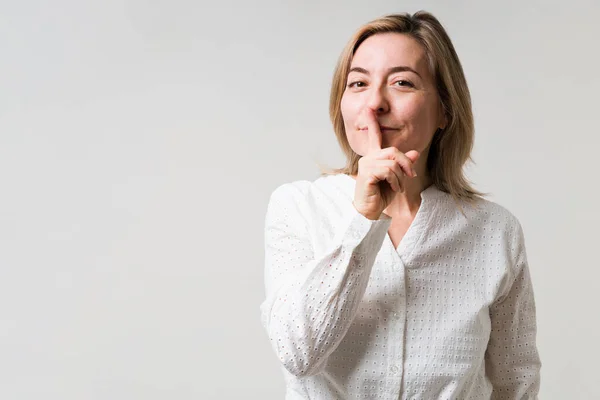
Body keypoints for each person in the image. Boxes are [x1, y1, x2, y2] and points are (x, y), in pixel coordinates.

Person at [260, 10, 541, 400]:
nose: (374, 102)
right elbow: (298, 352)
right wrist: (364, 219)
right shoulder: (299, 208)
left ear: (444, 108)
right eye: (357, 83)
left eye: (402, 83)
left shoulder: (495, 231)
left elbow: (517, 382)